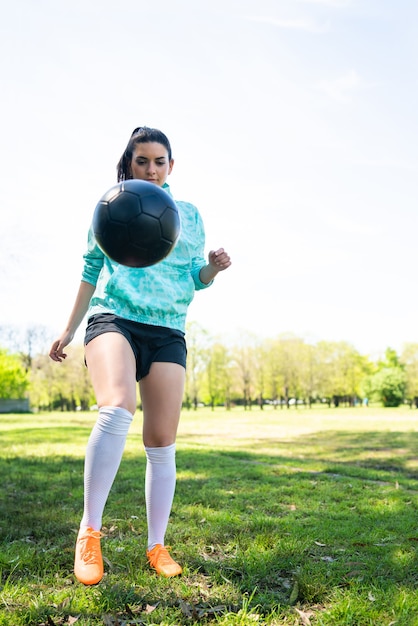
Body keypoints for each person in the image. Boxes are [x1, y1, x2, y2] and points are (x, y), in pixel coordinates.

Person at [49, 126, 231, 585]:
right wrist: (68, 330)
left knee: (162, 440)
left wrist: (212, 266)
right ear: (129, 164)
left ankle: (157, 544)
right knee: (117, 408)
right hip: (115, 317)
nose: (151, 169)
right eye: (142, 161)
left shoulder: (188, 214)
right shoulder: (112, 205)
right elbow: (91, 270)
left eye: (159, 162)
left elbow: (194, 277)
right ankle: (89, 532)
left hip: (168, 328)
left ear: (172, 166)